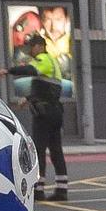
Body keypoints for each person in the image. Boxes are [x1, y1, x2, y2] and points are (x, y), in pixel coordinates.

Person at [20, 34, 67, 201]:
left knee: (39, 150)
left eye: (32, 47)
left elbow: (30, 70)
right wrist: (28, 98)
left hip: (44, 114)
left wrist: (7, 71)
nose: (31, 52)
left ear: (39, 46)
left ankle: (39, 189)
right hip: (55, 112)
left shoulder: (43, 60)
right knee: (56, 151)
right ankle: (62, 189)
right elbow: (45, 90)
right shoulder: (52, 62)